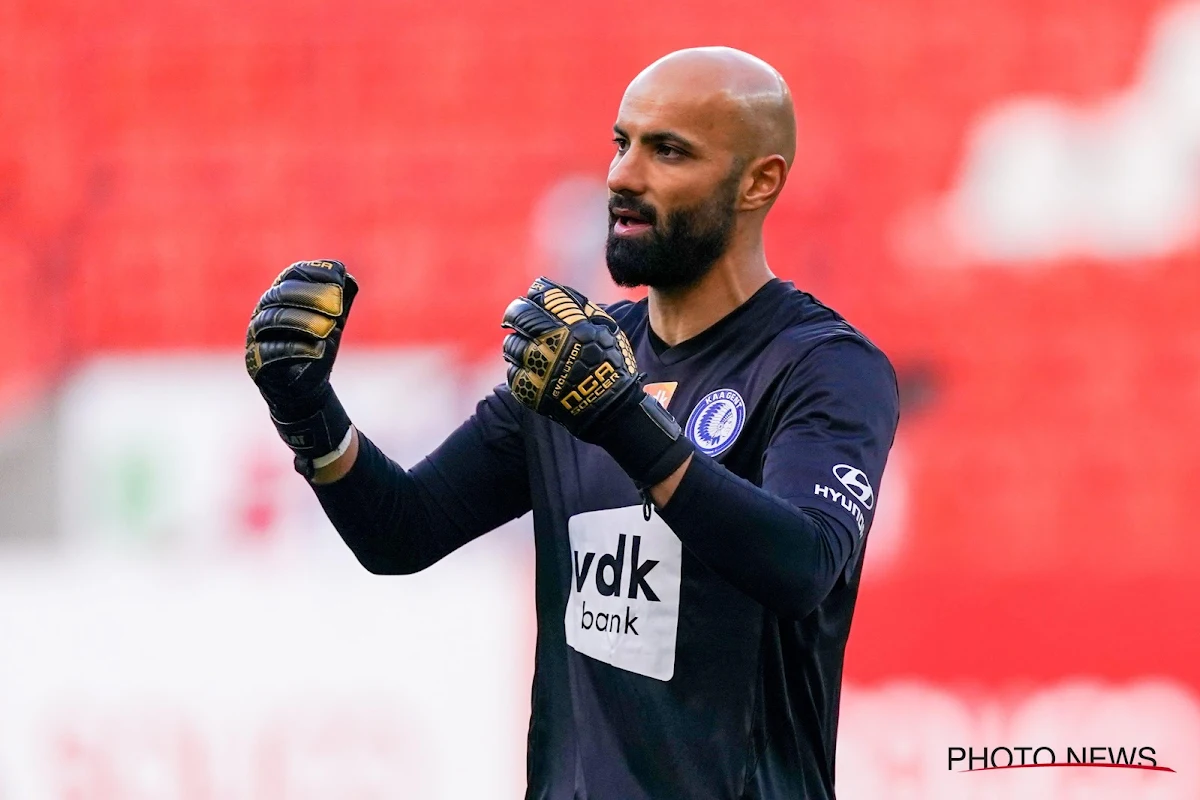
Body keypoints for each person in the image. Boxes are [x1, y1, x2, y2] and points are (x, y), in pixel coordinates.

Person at [245, 46, 899, 800]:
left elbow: (803, 566)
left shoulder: (822, 366)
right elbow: (403, 533)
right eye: (622, 143)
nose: (623, 175)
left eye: (669, 152)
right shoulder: (574, 361)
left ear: (758, 182)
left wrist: (623, 419)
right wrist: (307, 413)